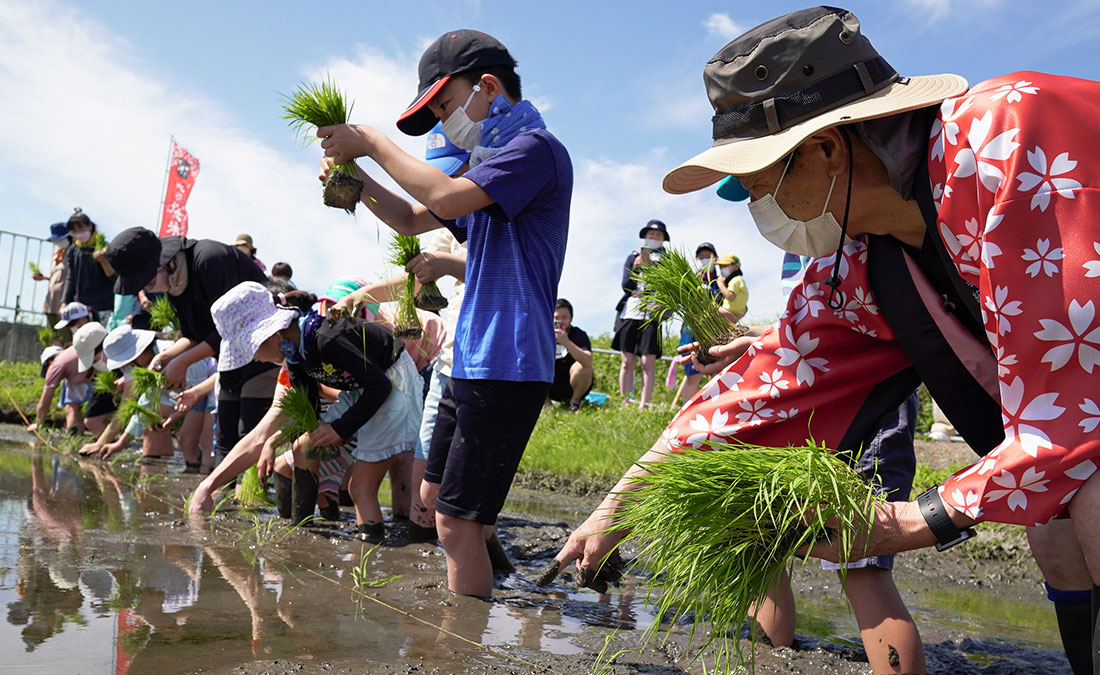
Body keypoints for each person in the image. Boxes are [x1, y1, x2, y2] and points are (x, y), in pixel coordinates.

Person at [556, 8, 1100, 674]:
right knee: (1059, 529)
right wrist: (618, 508)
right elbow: (752, 392)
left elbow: (1074, 418)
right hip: (1071, 434)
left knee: (1092, 499)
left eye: (761, 182)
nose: (760, 204)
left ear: (827, 147)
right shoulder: (864, 265)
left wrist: (910, 519)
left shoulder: (1006, 141)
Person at [316, 28, 571, 597]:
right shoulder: (487, 165)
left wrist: (374, 143)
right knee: (433, 503)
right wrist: (355, 184)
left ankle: (463, 636)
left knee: (454, 524)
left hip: (509, 359)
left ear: (486, 86)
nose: (441, 123)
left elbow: (446, 198)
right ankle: (491, 572)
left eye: (444, 106)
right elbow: (413, 218)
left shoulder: (534, 151)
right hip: (469, 359)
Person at [212, 282, 422, 543]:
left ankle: (372, 552)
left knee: (360, 487)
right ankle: (301, 526)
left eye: (252, 350)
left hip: (394, 384)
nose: (255, 360)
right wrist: (307, 432)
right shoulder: (294, 351)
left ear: (272, 334)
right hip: (363, 388)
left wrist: (339, 429)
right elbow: (307, 403)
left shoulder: (326, 338)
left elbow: (380, 386)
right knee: (303, 446)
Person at [105, 227, 278, 469]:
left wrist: (183, 362)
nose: (150, 289)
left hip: (265, 355)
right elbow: (192, 334)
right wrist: (169, 355)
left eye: (148, 280)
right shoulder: (175, 284)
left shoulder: (209, 260)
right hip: (230, 361)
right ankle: (221, 500)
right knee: (225, 439)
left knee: (248, 432)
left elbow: (232, 328)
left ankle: (250, 501)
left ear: (163, 263)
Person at [611, 219, 670, 409]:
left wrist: (654, 268)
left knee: (647, 361)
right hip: (631, 310)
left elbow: (669, 287)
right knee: (627, 360)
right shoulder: (633, 257)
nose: (654, 238)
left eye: (658, 236)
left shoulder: (667, 261)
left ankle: (644, 404)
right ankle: (625, 401)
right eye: (651, 235)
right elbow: (626, 285)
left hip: (653, 312)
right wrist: (637, 268)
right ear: (645, 236)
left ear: (663, 239)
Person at [27, 322, 109, 436]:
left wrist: (38, 423)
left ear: (49, 362)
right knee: (83, 410)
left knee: (74, 409)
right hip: (93, 377)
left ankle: (81, 440)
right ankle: (85, 438)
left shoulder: (56, 365)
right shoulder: (68, 355)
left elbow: (45, 399)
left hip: (97, 378)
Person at [61, 209, 115, 324]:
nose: (78, 235)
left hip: (103, 304)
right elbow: (71, 278)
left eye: (81, 230)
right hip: (81, 305)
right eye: (74, 232)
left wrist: (104, 261)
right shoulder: (74, 250)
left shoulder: (104, 247)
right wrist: (64, 302)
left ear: (90, 226)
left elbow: (114, 277)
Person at [547, 298, 593, 412]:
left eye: (564, 317)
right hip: (549, 383)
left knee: (584, 366)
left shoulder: (578, 334)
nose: (560, 322)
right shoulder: (543, 333)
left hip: (572, 383)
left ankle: (574, 403)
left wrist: (567, 342)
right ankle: (545, 405)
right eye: (556, 318)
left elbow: (588, 360)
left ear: (571, 318)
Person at [31, 222, 72, 334]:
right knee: (52, 337)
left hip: (63, 303)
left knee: (65, 338)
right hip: (51, 302)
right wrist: (43, 278)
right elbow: (58, 277)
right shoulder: (59, 254)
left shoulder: (74, 253)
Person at [714, 253, 749, 321]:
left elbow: (730, 297)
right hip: (738, 312)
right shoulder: (737, 280)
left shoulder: (736, 280)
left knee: (710, 308)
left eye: (725, 266)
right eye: (720, 267)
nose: (722, 269)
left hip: (730, 312)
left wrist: (720, 283)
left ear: (736, 267)